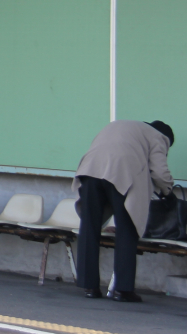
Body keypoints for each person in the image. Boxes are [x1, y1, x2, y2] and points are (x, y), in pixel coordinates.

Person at [72, 120, 174, 302]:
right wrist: (168, 190)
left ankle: (89, 287)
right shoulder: (158, 136)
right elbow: (159, 171)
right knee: (127, 230)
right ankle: (123, 290)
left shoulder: (119, 125)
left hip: (90, 171)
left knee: (89, 228)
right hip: (121, 172)